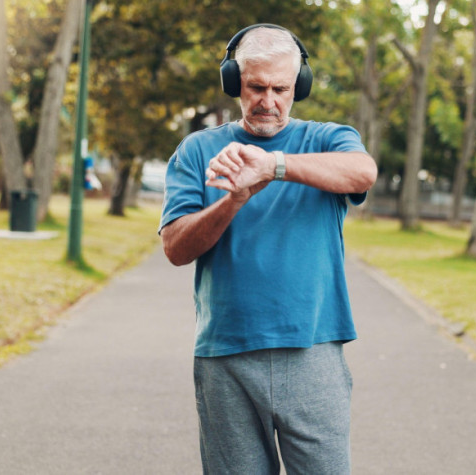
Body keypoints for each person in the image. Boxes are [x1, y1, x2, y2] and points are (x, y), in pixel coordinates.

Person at [158, 24, 377, 474]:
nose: (268, 100)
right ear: (233, 81)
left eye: (281, 88)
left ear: (300, 86)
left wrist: (274, 166)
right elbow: (176, 249)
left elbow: (363, 173)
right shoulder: (197, 151)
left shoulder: (327, 139)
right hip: (225, 356)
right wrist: (234, 198)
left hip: (313, 351)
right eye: (256, 87)